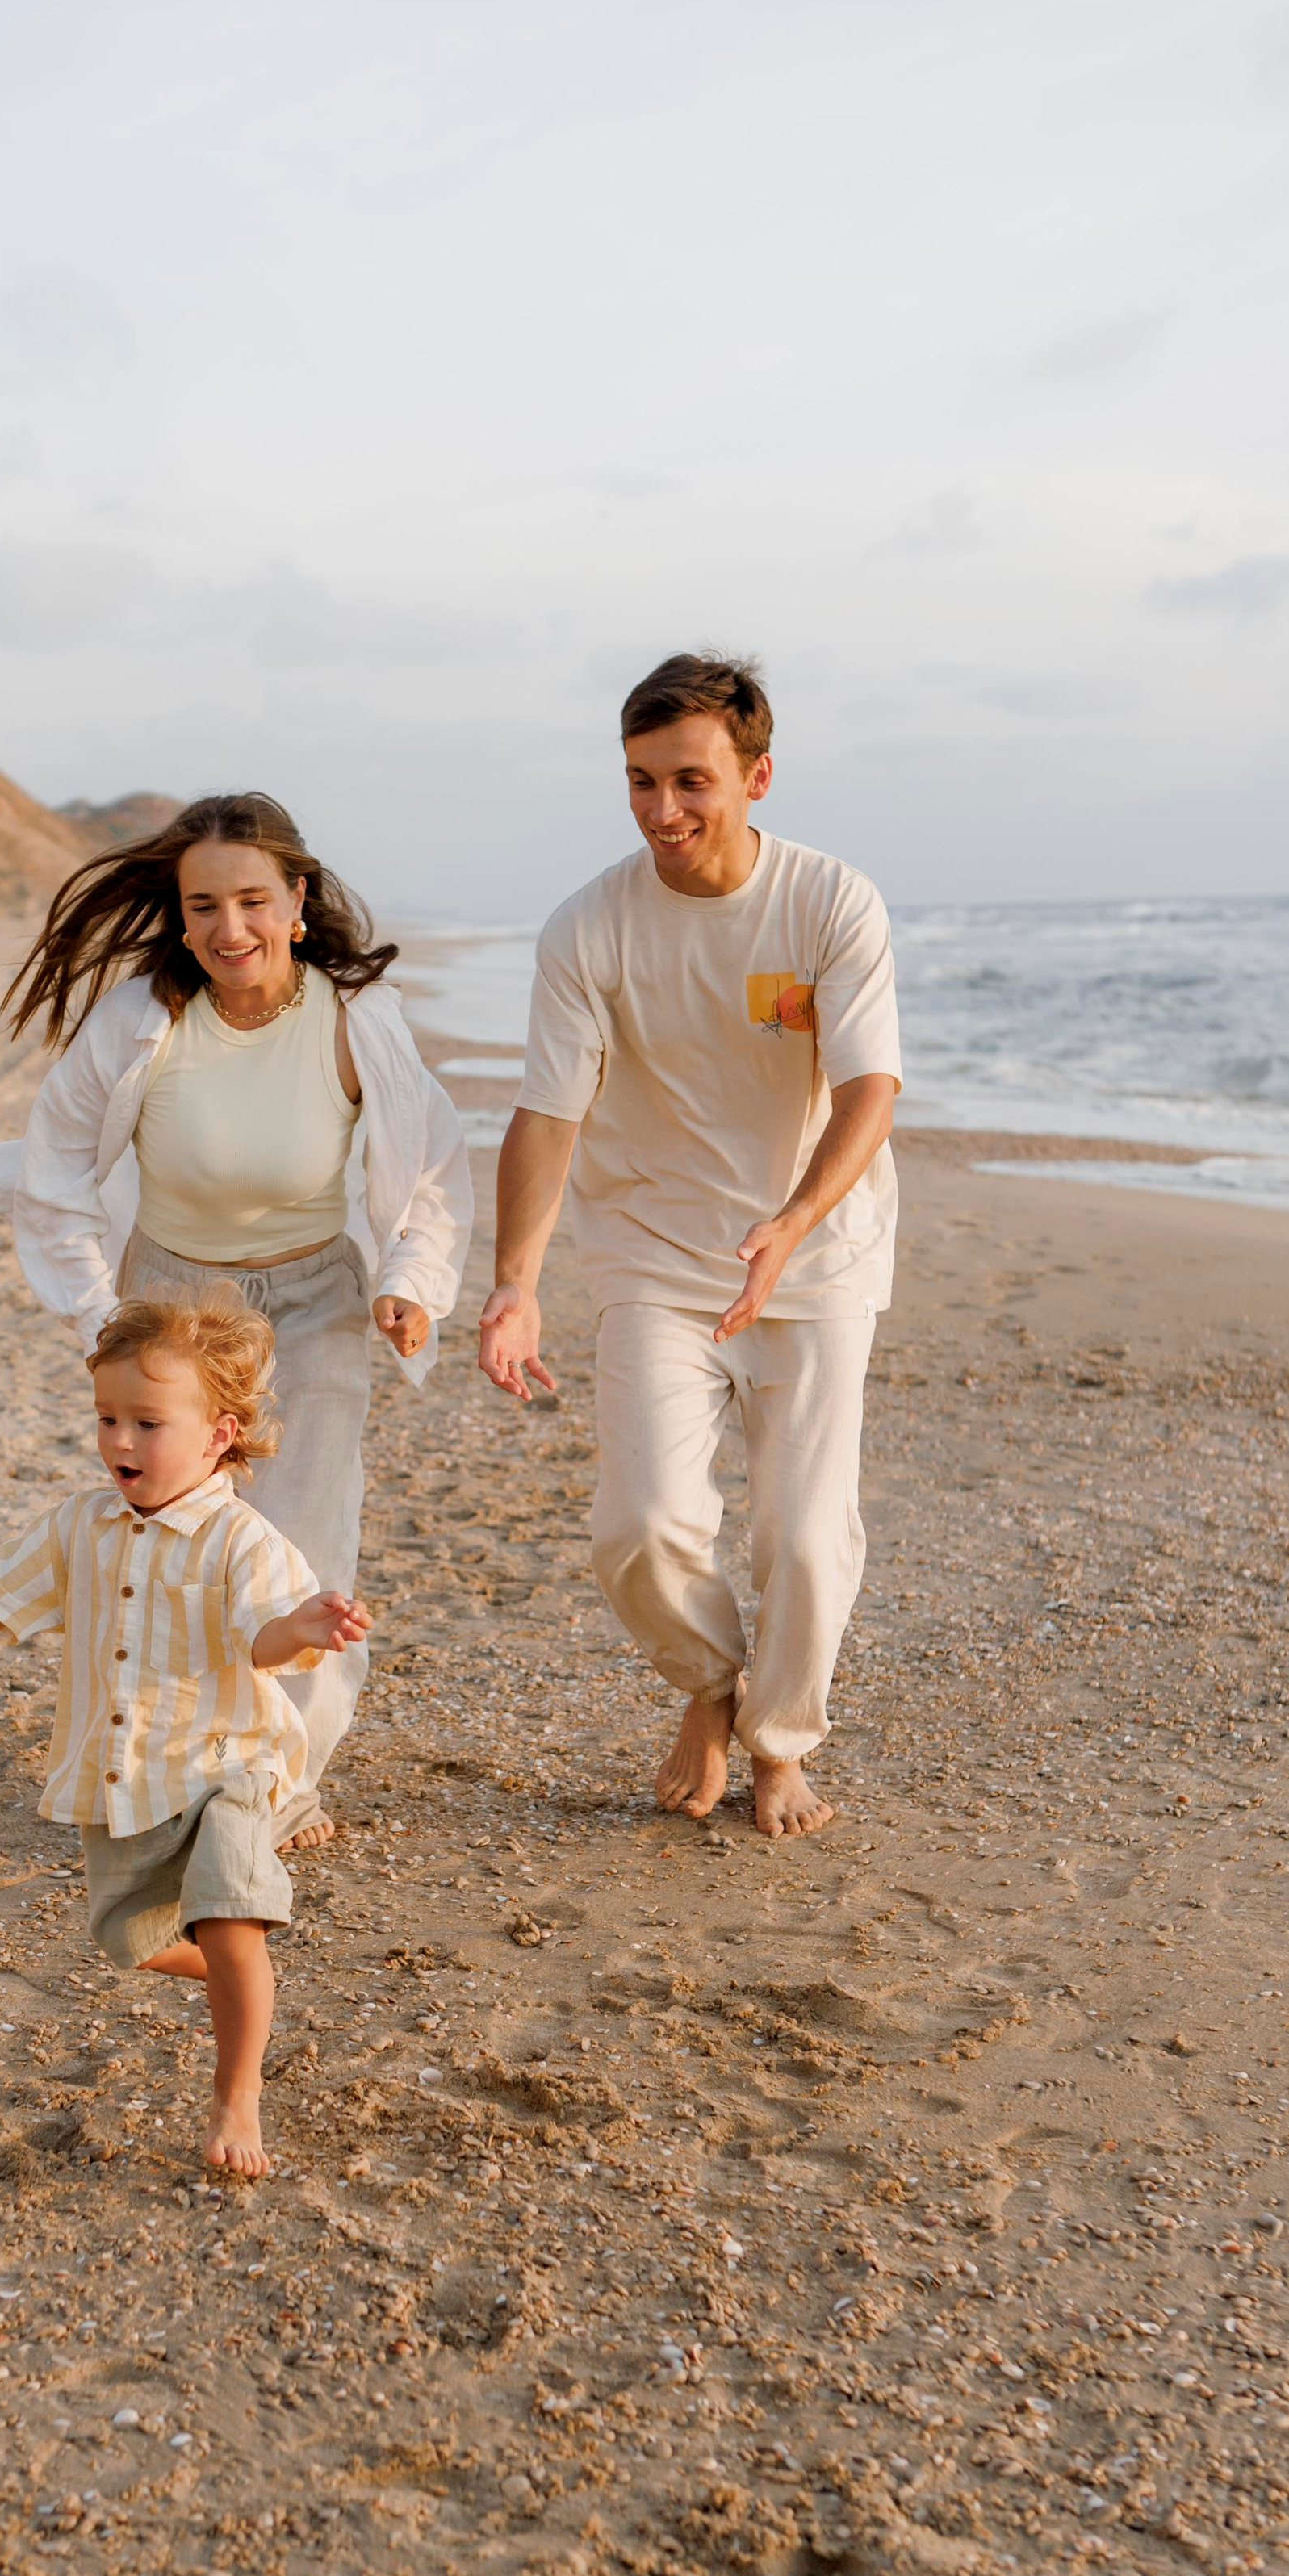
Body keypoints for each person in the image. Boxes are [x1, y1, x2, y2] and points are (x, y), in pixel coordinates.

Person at [0, 793, 471, 1847]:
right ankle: (175, 1754)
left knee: (299, 1552)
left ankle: (279, 1783)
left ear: (298, 902)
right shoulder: (139, 1022)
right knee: (170, 1545)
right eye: (204, 905)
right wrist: (102, 1315)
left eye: (253, 900)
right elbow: (56, 1176)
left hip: (311, 1305)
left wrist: (412, 1283)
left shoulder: (354, 1022)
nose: (228, 927)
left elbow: (430, 1166)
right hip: (169, 1305)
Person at [478, 653, 900, 1837]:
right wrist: (515, 1284)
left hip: (816, 1260)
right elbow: (548, 1114)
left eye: (692, 781)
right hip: (657, 1259)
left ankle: (779, 1744)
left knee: (807, 1536)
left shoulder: (830, 902)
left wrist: (793, 1223)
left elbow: (870, 1089)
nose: (664, 810)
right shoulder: (589, 927)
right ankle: (711, 1686)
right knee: (643, 1526)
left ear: (758, 777)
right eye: (640, 781)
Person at [0, 1290, 366, 2178]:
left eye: (148, 1423)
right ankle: (246, 1986)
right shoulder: (81, 1526)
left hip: (229, 1764)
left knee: (230, 1915)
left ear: (218, 1434)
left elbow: (263, 1637)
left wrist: (305, 1628)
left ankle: (237, 2089)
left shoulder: (244, 1541)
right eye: (107, 1418)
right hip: (128, 1775)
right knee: (127, 1938)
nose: (120, 1440)